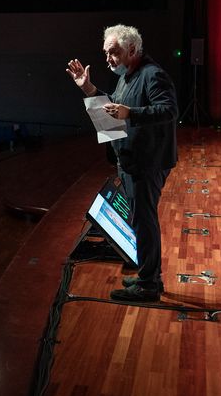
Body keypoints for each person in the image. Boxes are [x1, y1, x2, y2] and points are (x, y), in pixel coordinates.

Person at [66, 24, 178, 303]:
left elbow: (169, 110)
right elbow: (114, 106)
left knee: (144, 221)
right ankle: (149, 276)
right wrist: (89, 88)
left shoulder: (153, 75)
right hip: (131, 160)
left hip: (147, 162)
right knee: (139, 220)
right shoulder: (127, 75)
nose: (108, 59)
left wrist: (131, 113)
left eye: (113, 52)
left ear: (131, 49)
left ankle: (149, 285)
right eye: (105, 53)